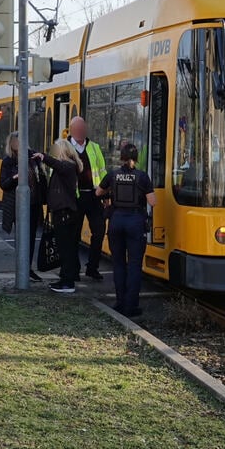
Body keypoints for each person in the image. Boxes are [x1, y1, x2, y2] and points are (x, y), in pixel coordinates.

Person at [97, 143, 156, 317]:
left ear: (121, 157)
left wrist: (110, 196)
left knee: (118, 264)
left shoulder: (113, 175)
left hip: (116, 222)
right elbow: (153, 202)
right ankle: (131, 306)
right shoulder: (142, 177)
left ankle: (120, 302)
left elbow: (98, 193)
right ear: (136, 158)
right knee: (134, 265)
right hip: (135, 223)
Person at [33, 139, 83, 293]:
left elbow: (58, 165)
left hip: (65, 213)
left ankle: (67, 282)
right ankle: (66, 279)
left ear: (62, 151)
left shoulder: (68, 166)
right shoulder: (68, 167)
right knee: (65, 248)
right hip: (63, 212)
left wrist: (43, 157)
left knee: (66, 249)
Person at [0, 131, 45, 281]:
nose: (20, 145)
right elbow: (3, 184)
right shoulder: (8, 161)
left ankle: (28, 268)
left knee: (31, 237)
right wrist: (15, 178)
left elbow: (41, 178)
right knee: (21, 237)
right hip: (17, 205)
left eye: (22, 142)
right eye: (17, 142)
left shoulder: (33, 158)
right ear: (11, 144)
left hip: (33, 204)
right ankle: (22, 268)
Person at [68, 116, 107, 281]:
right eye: (77, 129)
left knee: (99, 232)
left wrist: (105, 192)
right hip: (74, 197)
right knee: (73, 235)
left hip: (93, 196)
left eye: (83, 128)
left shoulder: (95, 147)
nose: (80, 132)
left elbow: (102, 171)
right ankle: (74, 269)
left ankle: (92, 267)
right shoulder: (63, 147)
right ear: (71, 130)